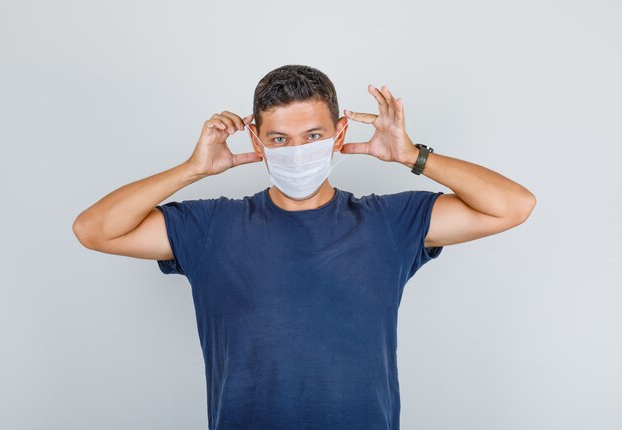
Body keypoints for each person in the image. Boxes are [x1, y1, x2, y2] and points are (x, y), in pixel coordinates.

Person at [72, 64, 536, 430]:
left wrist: (411, 155)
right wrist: (191, 171)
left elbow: (512, 206)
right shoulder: (211, 226)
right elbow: (94, 229)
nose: (297, 151)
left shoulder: (388, 222)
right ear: (256, 140)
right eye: (280, 139)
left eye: (313, 136)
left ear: (338, 135)